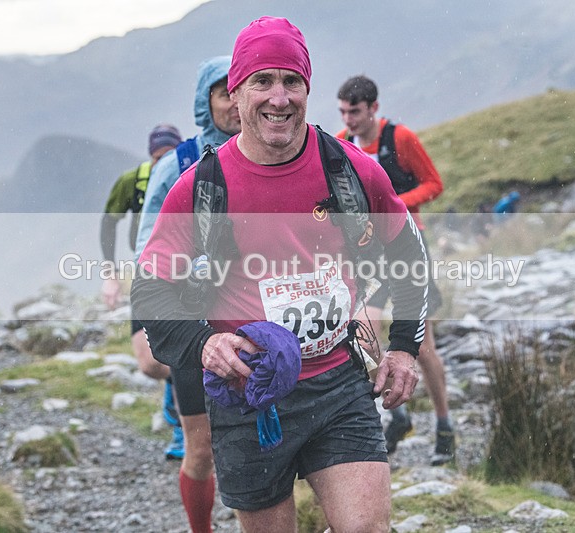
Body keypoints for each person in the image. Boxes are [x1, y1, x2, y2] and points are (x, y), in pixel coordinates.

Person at [131, 17, 428, 532]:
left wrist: (403, 346)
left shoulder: (350, 169)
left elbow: (410, 253)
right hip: (249, 395)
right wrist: (202, 345)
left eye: (292, 81)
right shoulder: (202, 187)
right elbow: (151, 290)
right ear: (237, 95)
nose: (279, 97)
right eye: (262, 82)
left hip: (340, 384)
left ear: (307, 89)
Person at [133, 55, 240, 533]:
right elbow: (148, 250)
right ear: (206, 102)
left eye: (240, 90)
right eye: (224, 93)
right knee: (201, 448)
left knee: (262, 444)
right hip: (191, 321)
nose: (235, 103)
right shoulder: (177, 164)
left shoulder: (275, 158)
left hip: (256, 319)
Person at [336, 74, 456, 465]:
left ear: (373, 108)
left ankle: (444, 425)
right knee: (362, 334)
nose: (348, 119)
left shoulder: (400, 139)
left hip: (409, 249)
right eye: (343, 112)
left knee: (423, 347)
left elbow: (434, 184)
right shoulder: (339, 144)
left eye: (354, 111)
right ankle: (399, 413)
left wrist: (394, 204)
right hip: (368, 254)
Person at [99, 123, 184, 456]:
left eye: (170, 155)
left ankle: (183, 430)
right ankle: (175, 394)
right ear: (151, 155)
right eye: (159, 156)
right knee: (150, 363)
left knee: (186, 351)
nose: (164, 162)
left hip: (186, 276)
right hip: (146, 276)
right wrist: (110, 273)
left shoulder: (191, 171)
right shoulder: (133, 181)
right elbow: (109, 220)